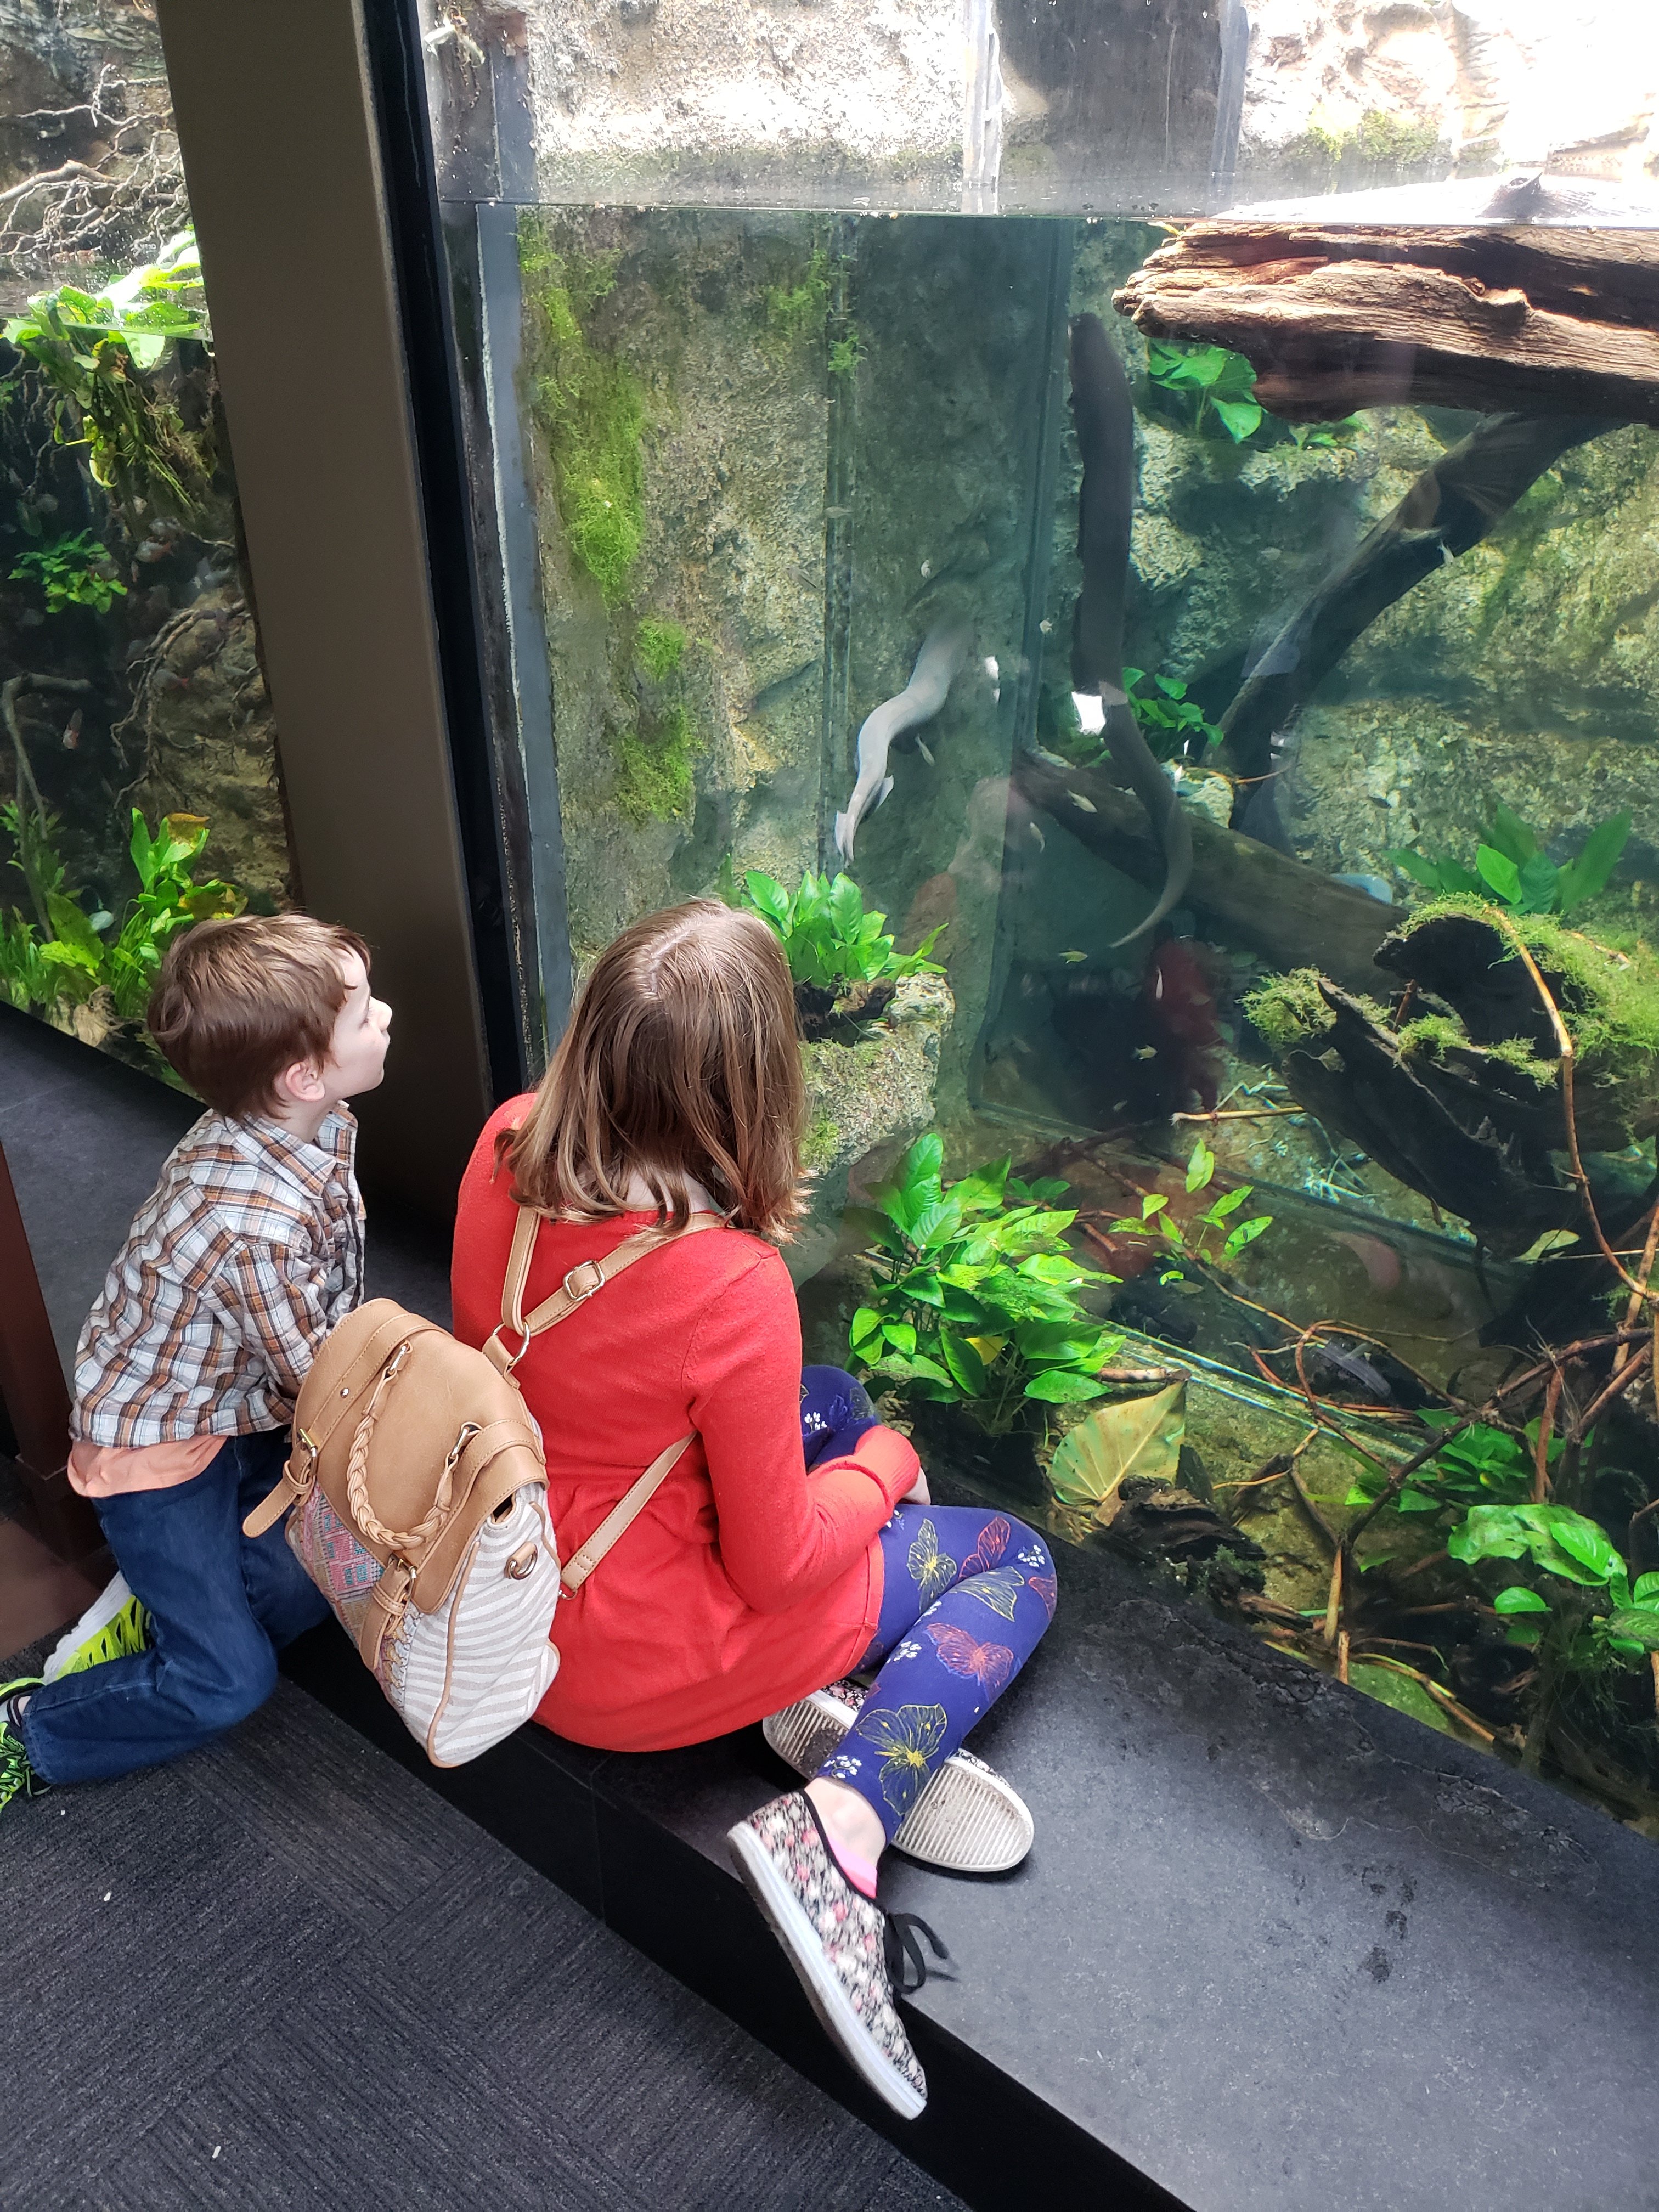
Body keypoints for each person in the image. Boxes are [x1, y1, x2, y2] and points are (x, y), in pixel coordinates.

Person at [449, 899, 1056, 2119]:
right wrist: (889, 1467)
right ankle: (840, 1830)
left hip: (514, 1586)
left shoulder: (505, 1139)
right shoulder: (731, 1281)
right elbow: (779, 1568)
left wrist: (847, 1436)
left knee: (823, 1397)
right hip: (623, 1671)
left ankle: (810, 1700)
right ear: (755, 1085)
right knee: (1012, 1556)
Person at [0, 913, 392, 1809]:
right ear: (301, 1074)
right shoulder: (250, 1223)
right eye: (367, 1014)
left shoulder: (317, 1123)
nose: (388, 1019)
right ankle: (38, 1727)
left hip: (235, 1406)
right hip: (159, 1447)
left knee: (310, 1578)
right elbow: (316, 1383)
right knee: (229, 1682)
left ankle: (172, 1600)